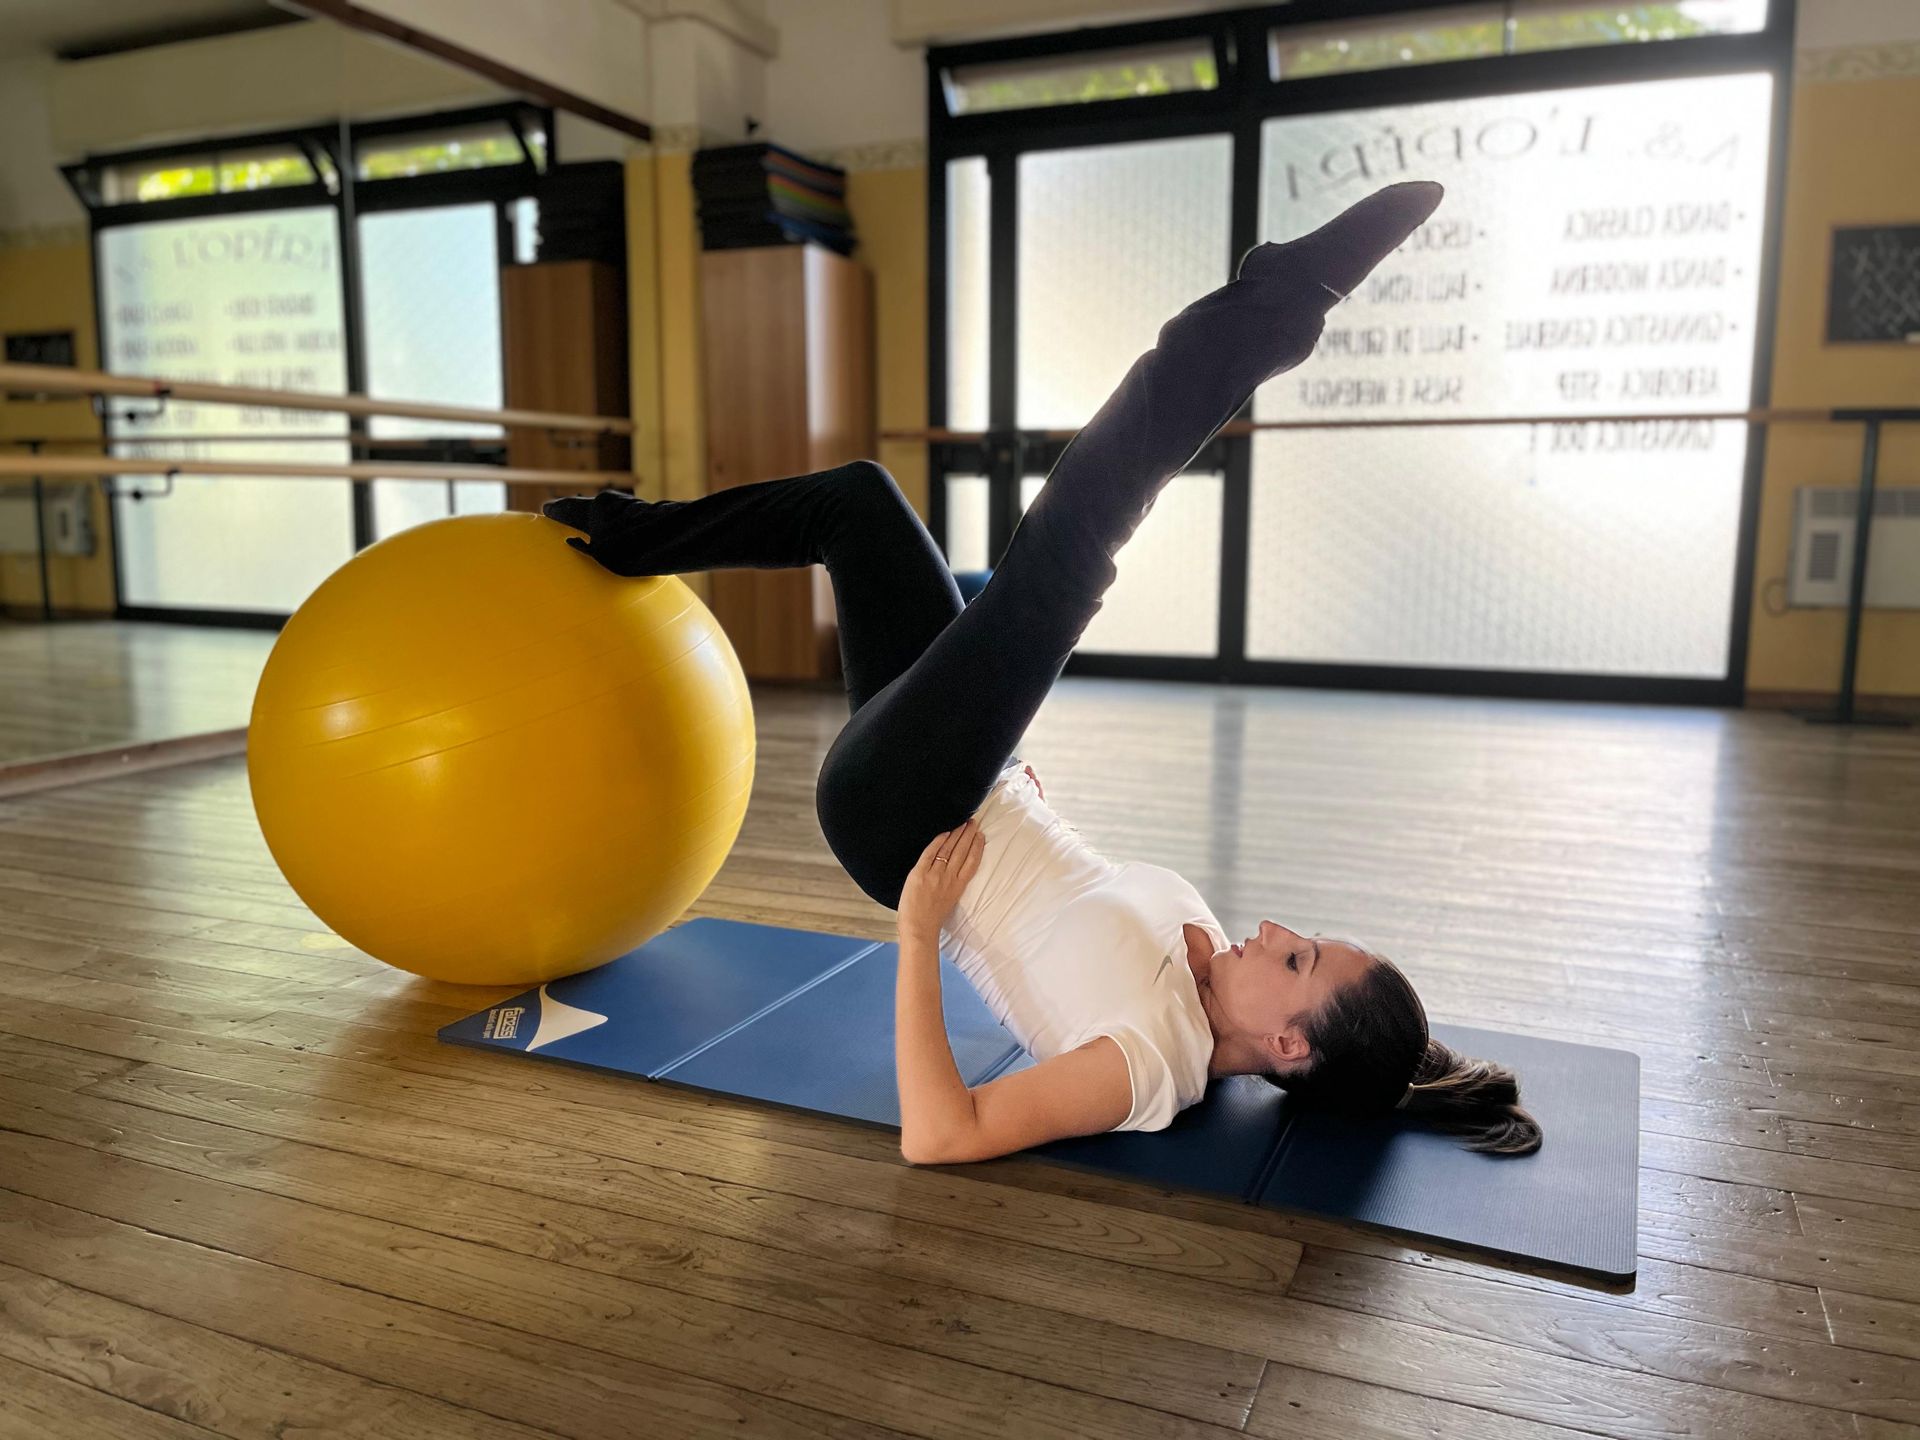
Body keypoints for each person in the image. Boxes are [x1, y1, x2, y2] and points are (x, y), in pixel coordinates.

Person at [544, 180, 1542, 1167]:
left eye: (1297, 957)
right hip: (979, 777)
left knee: (1075, 546)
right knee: (860, 505)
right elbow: (1067, 892)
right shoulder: (1206, 958)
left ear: (1287, 1045)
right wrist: (1018, 786)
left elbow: (942, 1137)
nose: (1277, 927)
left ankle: (1284, 301)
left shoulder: (1152, 1063)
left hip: (904, 817)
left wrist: (920, 932)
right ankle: (631, 537)